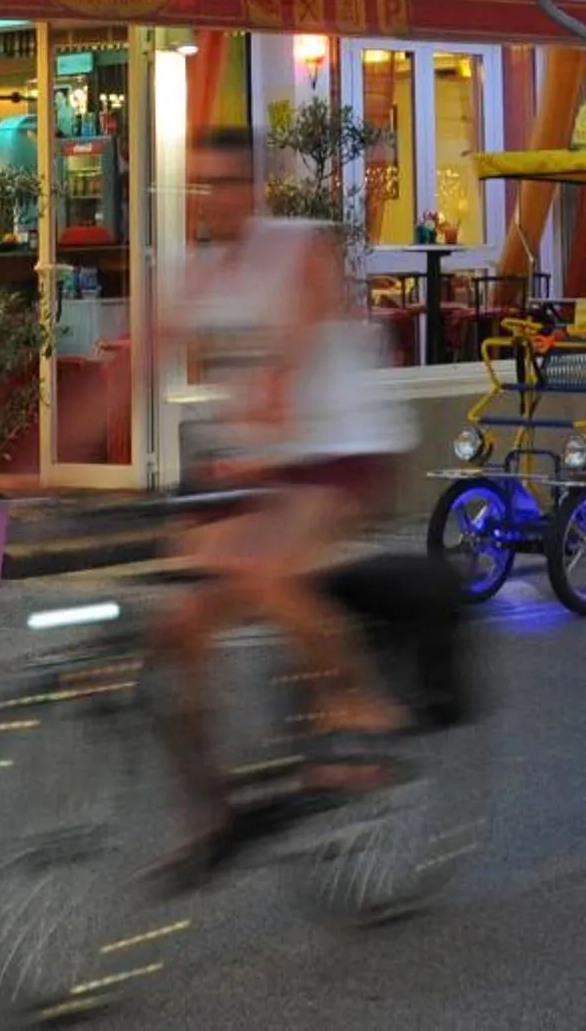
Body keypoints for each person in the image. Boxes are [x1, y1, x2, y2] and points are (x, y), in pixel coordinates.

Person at [156, 128, 412, 848]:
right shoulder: (200, 274)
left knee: (264, 572)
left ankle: (360, 704)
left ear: (257, 188)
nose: (217, 199)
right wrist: (38, 467)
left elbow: (300, 330)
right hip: (264, 463)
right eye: (203, 184)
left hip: (341, 450)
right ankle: (210, 805)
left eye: (231, 183)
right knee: (178, 625)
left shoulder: (299, 246)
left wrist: (270, 399)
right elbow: (133, 363)